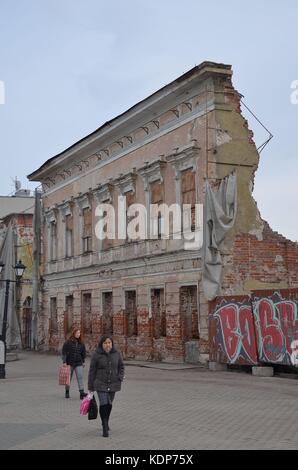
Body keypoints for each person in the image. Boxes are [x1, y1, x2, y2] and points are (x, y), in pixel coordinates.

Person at [88, 335, 125, 438]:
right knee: (104, 404)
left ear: (112, 344)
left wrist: (120, 377)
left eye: (109, 343)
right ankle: (104, 426)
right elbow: (92, 371)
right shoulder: (96, 355)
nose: (107, 345)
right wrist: (90, 387)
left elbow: (121, 366)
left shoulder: (116, 354)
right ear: (101, 344)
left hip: (113, 383)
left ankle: (106, 421)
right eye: (105, 343)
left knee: (109, 404)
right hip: (100, 383)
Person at [62, 328, 87, 400]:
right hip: (70, 363)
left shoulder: (81, 343)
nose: (78, 335)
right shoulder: (68, 342)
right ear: (73, 333)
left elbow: (83, 353)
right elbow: (64, 352)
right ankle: (67, 391)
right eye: (77, 333)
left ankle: (81, 393)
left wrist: (83, 362)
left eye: (79, 333)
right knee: (68, 378)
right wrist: (64, 362)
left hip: (79, 363)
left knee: (80, 377)